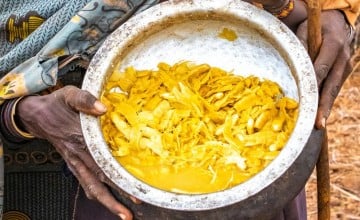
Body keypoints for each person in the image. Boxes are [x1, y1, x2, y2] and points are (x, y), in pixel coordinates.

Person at [0, 0, 358, 219]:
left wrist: (333, 17)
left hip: (248, 151)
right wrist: (21, 113)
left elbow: (315, 9)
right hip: (56, 183)